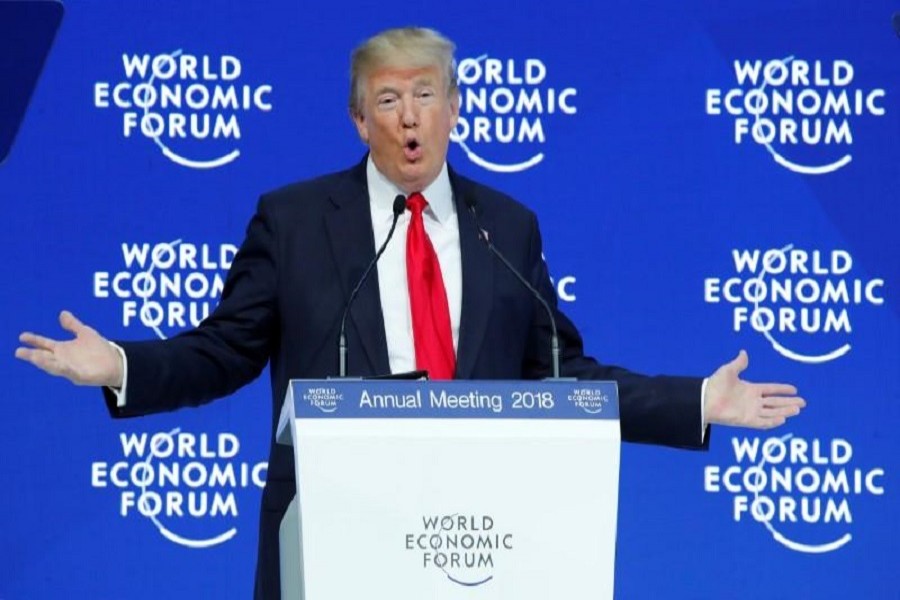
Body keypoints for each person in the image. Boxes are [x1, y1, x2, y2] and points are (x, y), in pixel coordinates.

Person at [16, 26, 805, 600]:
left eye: (425, 96)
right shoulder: (294, 222)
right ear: (361, 121)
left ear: (453, 110)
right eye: (388, 100)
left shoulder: (508, 226)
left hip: (482, 536)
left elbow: (561, 374)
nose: (408, 116)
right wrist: (121, 365)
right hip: (335, 529)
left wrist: (693, 402)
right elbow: (224, 351)